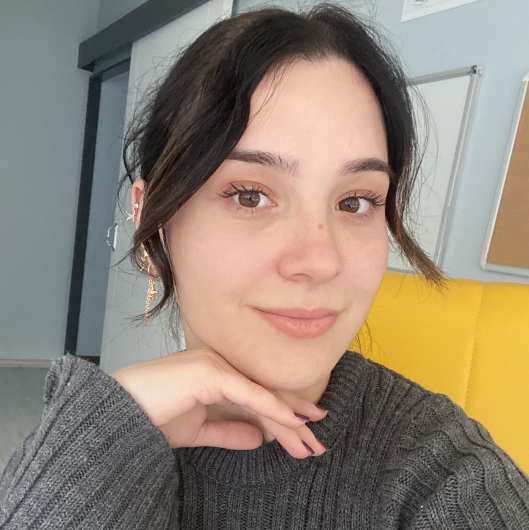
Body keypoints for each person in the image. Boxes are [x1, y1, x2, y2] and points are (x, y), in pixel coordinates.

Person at [1, 4, 528, 529]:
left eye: (355, 202)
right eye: (250, 195)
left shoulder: (444, 477)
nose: (319, 261)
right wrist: (98, 447)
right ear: (150, 215)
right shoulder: (89, 445)